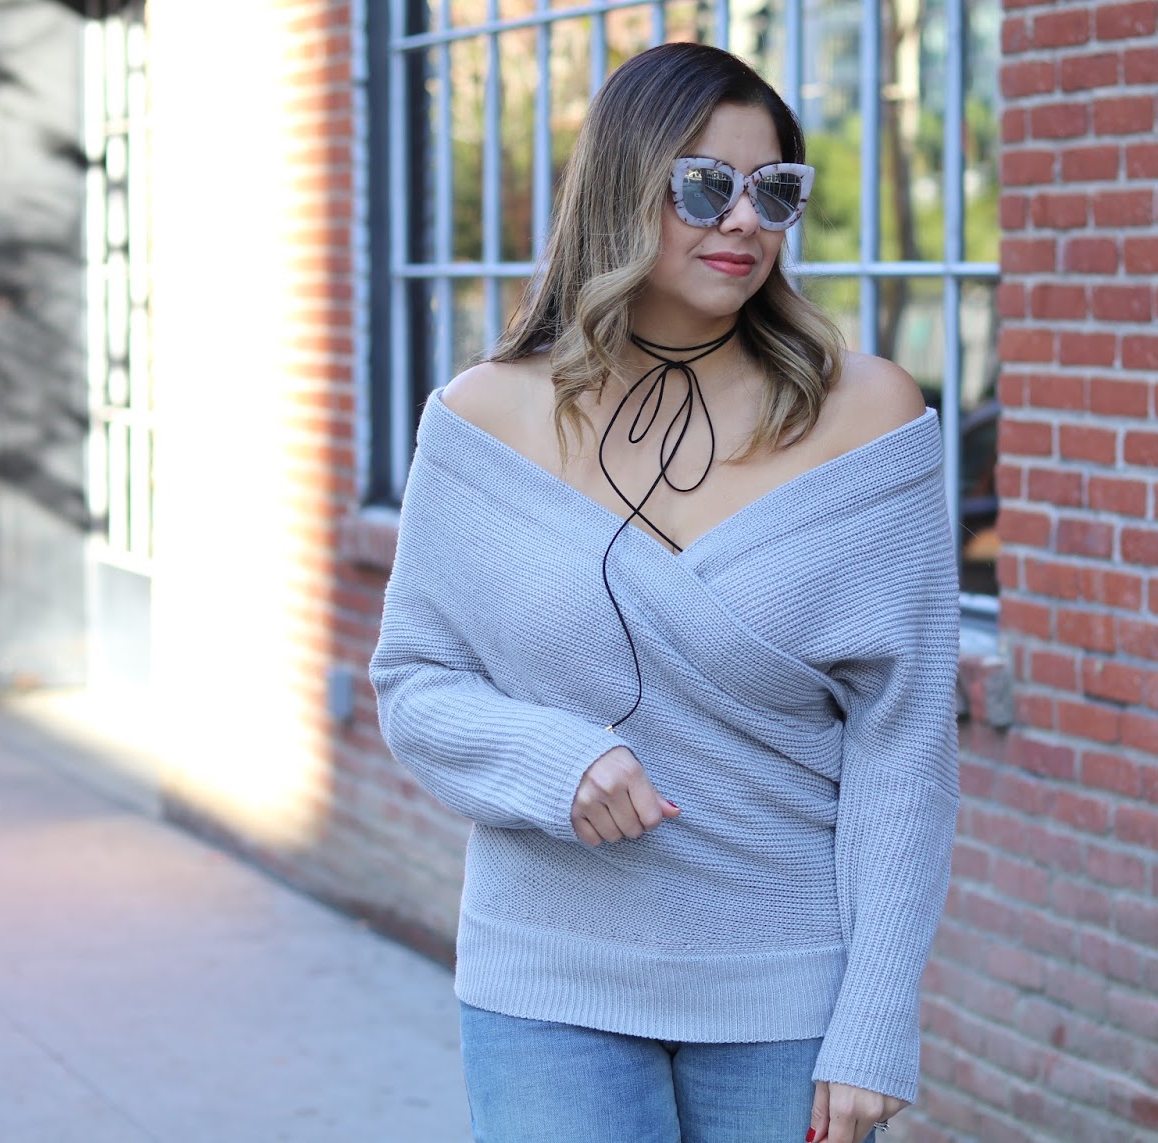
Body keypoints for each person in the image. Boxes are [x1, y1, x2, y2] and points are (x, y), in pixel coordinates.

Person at [370, 40, 959, 1143]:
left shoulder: (869, 416)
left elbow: (905, 742)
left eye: (774, 190)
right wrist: (552, 758)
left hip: (787, 997)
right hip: (547, 985)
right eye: (704, 185)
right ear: (621, 186)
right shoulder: (483, 418)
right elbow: (414, 681)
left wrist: (877, 1018)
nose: (743, 219)